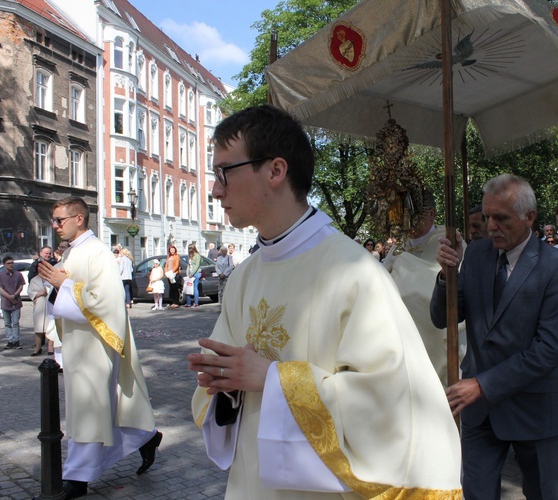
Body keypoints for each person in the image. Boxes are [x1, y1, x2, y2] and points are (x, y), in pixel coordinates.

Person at [188, 105, 461, 498]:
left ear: (276, 171)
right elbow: (233, 384)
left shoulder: (354, 273)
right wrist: (222, 379)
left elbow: (388, 403)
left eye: (225, 172)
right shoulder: (244, 277)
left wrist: (272, 378)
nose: (216, 189)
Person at [431, 173, 558, 500]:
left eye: (501, 217)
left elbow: (548, 350)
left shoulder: (557, 267)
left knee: (541, 494)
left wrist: (482, 384)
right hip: (480, 412)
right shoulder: (477, 255)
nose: (491, 225)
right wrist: (445, 276)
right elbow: (443, 318)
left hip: (535, 407)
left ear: (530, 217)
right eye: (486, 216)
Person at [37, 197, 161, 499]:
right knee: (93, 409)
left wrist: (63, 284)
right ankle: (146, 436)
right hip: (79, 344)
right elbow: (68, 295)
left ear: (79, 218)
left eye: (59, 220)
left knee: (89, 410)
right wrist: (57, 285)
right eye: (54, 221)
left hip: (96, 345)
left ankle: (77, 479)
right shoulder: (72, 253)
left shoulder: (98, 252)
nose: (55, 226)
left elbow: (107, 300)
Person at [383, 190, 466, 384]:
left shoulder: (449, 240)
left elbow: (447, 285)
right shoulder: (398, 247)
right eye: (404, 212)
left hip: (434, 328)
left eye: (415, 213)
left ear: (432, 214)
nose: (408, 219)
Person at [0, 255, 25, 350]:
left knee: (15, 322)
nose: (11, 265)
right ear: (4, 264)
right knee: (7, 323)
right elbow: (0, 288)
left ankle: (16, 341)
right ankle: (10, 341)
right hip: (5, 302)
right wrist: (8, 296)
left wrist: (15, 295)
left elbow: (21, 286)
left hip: (16, 301)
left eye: (12, 263)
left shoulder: (18, 274)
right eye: (8, 263)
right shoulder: (0, 275)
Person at [214, 246, 233, 311]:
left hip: (226, 276)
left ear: (227, 251)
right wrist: (219, 273)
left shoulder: (229, 257)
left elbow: (231, 266)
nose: (223, 252)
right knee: (220, 291)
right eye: (222, 251)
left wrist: (224, 273)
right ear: (220, 252)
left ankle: (227, 305)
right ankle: (221, 305)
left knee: (226, 290)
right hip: (220, 276)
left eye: (225, 251)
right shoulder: (219, 258)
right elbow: (216, 267)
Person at [184, 243, 202, 308]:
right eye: (189, 248)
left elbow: (197, 265)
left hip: (196, 273)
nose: (190, 249)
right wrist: (187, 273)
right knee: (188, 288)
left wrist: (192, 274)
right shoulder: (189, 256)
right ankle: (188, 303)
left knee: (195, 288)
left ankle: (196, 303)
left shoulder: (197, 255)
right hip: (190, 274)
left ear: (194, 248)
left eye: (191, 248)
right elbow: (189, 265)